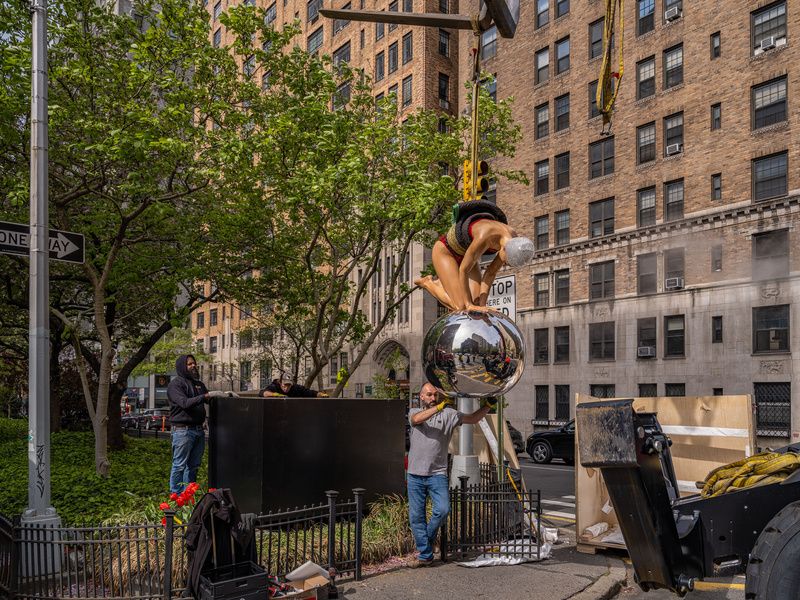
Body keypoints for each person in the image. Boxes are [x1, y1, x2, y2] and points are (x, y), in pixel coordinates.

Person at [406, 382, 496, 567]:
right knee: (416, 517)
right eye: (429, 395)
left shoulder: (449, 414)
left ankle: (426, 545)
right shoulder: (414, 411)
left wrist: (488, 405)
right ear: (421, 397)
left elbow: (472, 419)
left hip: (437, 474)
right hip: (415, 474)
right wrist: (439, 407)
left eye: (435, 395)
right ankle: (425, 556)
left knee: (443, 510)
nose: (433, 398)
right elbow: (416, 420)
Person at [415, 200, 534, 312]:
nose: (504, 262)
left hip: (466, 255)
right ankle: (429, 282)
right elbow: (463, 270)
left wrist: (483, 306)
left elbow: (491, 272)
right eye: (506, 260)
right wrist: (468, 304)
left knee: (476, 305)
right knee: (461, 307)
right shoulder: (485, 236)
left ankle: (453, 288)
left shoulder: (513, 241)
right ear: (504, 249)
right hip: (445, 251)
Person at [167, 354, 227, 494]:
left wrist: (224, 395)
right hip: (183, 431)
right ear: (182, 366)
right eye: (189, 364)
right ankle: (175, 496)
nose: (193, 365)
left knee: (193, 466)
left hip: (199, 431)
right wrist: (205, 396)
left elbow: (209, 400)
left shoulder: (199, 384)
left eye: (194, 363)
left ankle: (188, 495)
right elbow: (184, 403)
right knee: (179, 465)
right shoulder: (176, 384)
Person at [260, 372, 326, 398]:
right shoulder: (274, 386)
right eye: (284, 385)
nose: (286, 388)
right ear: (280, 382)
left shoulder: (295, 388)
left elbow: (309, 392)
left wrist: (321, 395)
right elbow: (262, 393)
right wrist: (275, 394)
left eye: (289, 386)